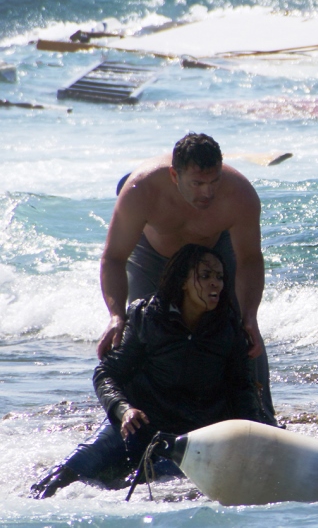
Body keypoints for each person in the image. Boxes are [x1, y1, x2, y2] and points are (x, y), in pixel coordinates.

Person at [31, 244, 276, 498]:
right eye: (205, 276)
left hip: (189, 437)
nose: (216, 284)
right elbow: (106, 374)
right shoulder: (146, 316)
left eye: (220, 277)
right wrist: (124, 410)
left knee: (147, 486)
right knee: (61, 477)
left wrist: (257, 437)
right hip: (136, 425)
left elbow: (241, 389)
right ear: (183, 282)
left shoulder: (228, 329)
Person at [98, 132, 275, 421]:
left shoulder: (239, 195)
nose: (207, 192)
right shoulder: (141, 190)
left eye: (213, 181)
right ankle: (129, 420)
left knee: (242, 334)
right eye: (197, 183)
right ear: (174, 175)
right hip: (153, 256)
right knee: (138, 329)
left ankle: (262, 419)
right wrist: (116, 315)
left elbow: (250, 260)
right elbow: (114, 258)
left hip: (214, 250)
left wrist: (250, 316)